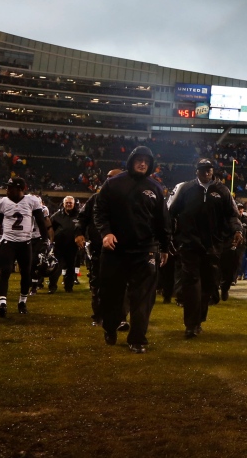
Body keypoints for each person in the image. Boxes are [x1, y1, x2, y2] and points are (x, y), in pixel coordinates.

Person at [93, 146, 172, 354]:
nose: (143, 164)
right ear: (131, 161)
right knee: (111, 294)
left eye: (147, 160)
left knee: (143, 297)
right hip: (115, 250)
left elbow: (163, 221)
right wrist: (106, 233)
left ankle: (138, 338)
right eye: (139, 160)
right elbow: (99, 212)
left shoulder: (155, 188)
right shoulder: (112, 184)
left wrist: (164, 247)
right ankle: (110, 327)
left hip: (145, 251)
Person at [168, 158, 243, 339]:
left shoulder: (223, 191)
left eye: (208, 169)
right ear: (197, 171)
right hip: (189, 244)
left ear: (212, 171)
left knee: (208, 284)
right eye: (202, 170)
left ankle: (199, 319)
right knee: (191, 282)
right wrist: (170, 235)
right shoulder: (184, 188)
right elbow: (169, 211)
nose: (206, 172)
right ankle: (190, 325)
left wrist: (238, 229)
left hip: (213, 245)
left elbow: (232, 215)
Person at [0, 178, 50, 317]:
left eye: (11, 188)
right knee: (5, 270)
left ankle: (22, 302)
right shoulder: (3, 203)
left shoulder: (32, 201)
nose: (7, 190)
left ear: (21, 189)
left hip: (25, 242)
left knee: (26, 273)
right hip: (8, 242)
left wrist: (45, 240)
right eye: (8, 187)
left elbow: (40, 222)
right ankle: (2, 303)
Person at [77, 168, 124, 326]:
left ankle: (120, 317)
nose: (108, 180)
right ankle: (99, 315)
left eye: (113, 178)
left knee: (122, 284)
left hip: (123, 248)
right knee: (98, 283)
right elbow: (82, 218)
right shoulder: (95, 198)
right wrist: (79, 233)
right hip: (99, 248)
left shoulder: (129, 199)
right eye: (108, 177)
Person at [49, 196, 81, 293]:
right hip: (59, 246)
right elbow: (51, 229)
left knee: (71, 267)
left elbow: (84, 228)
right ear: (63, 204)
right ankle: (52, 287)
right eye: (66, 202)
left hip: (73, 246)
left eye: (70, 203)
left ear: (74, 204)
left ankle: (69, 287)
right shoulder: (56, 216)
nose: (68, 204)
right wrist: (51, 241)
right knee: (56, 267)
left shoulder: (79, 215)